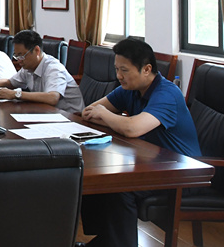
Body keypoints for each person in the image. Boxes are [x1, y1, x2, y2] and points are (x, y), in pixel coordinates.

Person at [79, 38, 201, 247]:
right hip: (153, 163)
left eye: (124, 70)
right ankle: (106, 240)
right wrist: (112, 118)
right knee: (97, 179)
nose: (119, 76)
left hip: (182, 172)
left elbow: (132, 129)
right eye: (117, 69)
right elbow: (88, 112)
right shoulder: (130, 89)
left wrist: (107, 115)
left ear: (146, 69)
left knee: (119, 186)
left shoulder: (167, 93)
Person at [0, 30, 84, 114]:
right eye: (16, 56)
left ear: (37, 50)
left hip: (71, 117)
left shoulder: (54, 68)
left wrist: (16, 94)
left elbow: (53, 98)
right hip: (47, 113)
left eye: (21, 56)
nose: (19, 60)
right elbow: (10, 82)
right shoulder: (28, 67)